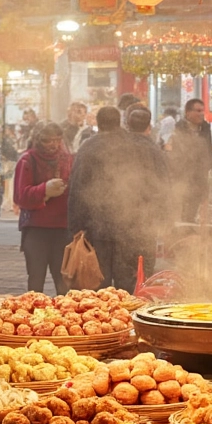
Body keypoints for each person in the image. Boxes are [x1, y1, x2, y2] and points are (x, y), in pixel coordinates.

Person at [67, 106, 138, 291]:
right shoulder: (134, 145)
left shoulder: (89, 147)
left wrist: (76, 225)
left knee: (99, 281)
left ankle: (103, 318)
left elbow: (78, 186)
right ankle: (127, 316)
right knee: (126, 283)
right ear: (119, 121)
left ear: (98, 123)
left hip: (97, 225)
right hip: (129, 224)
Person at [13, 121, 73, 294]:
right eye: (48, 141)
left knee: (64, 283)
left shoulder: (68, 159)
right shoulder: (27, 160)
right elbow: (20, 196)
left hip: (62, 229)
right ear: (38, 140)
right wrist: (44, 190)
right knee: (36, 281)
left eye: (57, 140)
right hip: (36, 230)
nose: (53, 145)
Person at [126, 105, 171, 282]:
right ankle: (142, 298)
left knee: (127, 264)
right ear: (148, 127)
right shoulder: (154, 150)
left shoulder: (120, 146)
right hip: (147, 216)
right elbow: (163, 184)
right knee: (145, 264)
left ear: (128, 125)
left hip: (123, 214)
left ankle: (124, 299)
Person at [170, 98, 212, 223]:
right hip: (182, 178)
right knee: (180, 213)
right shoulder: (177, 129)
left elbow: (209, 150)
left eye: (203, 111)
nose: (201, 114)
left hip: (200, 178)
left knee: (193, 214)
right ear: (188, 113)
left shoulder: (205, 129)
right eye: (198, 111)